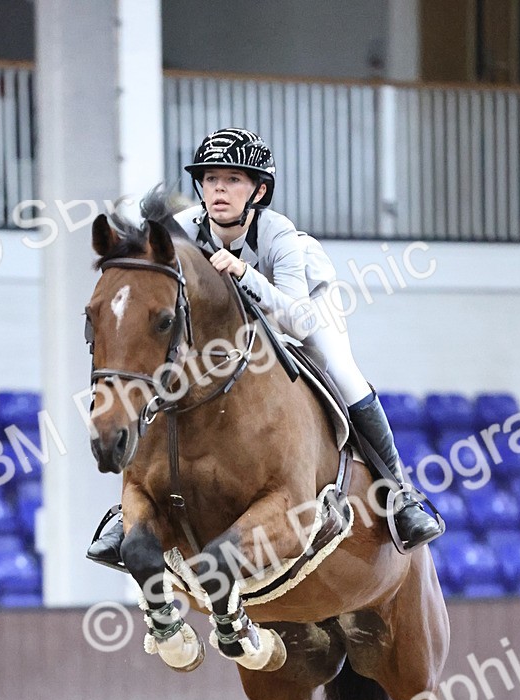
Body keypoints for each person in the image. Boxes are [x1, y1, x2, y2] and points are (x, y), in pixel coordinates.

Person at [174, 127, 443, 551]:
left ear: (259, 190)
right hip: (231, 322)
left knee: (343, 373)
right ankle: (130, 508)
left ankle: (400, 497)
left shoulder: (278, 233)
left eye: (233, 179)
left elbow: (295, 322)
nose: (218, 189)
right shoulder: (182, 230)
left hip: (305, 304)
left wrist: (244, 273)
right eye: (210, 179)